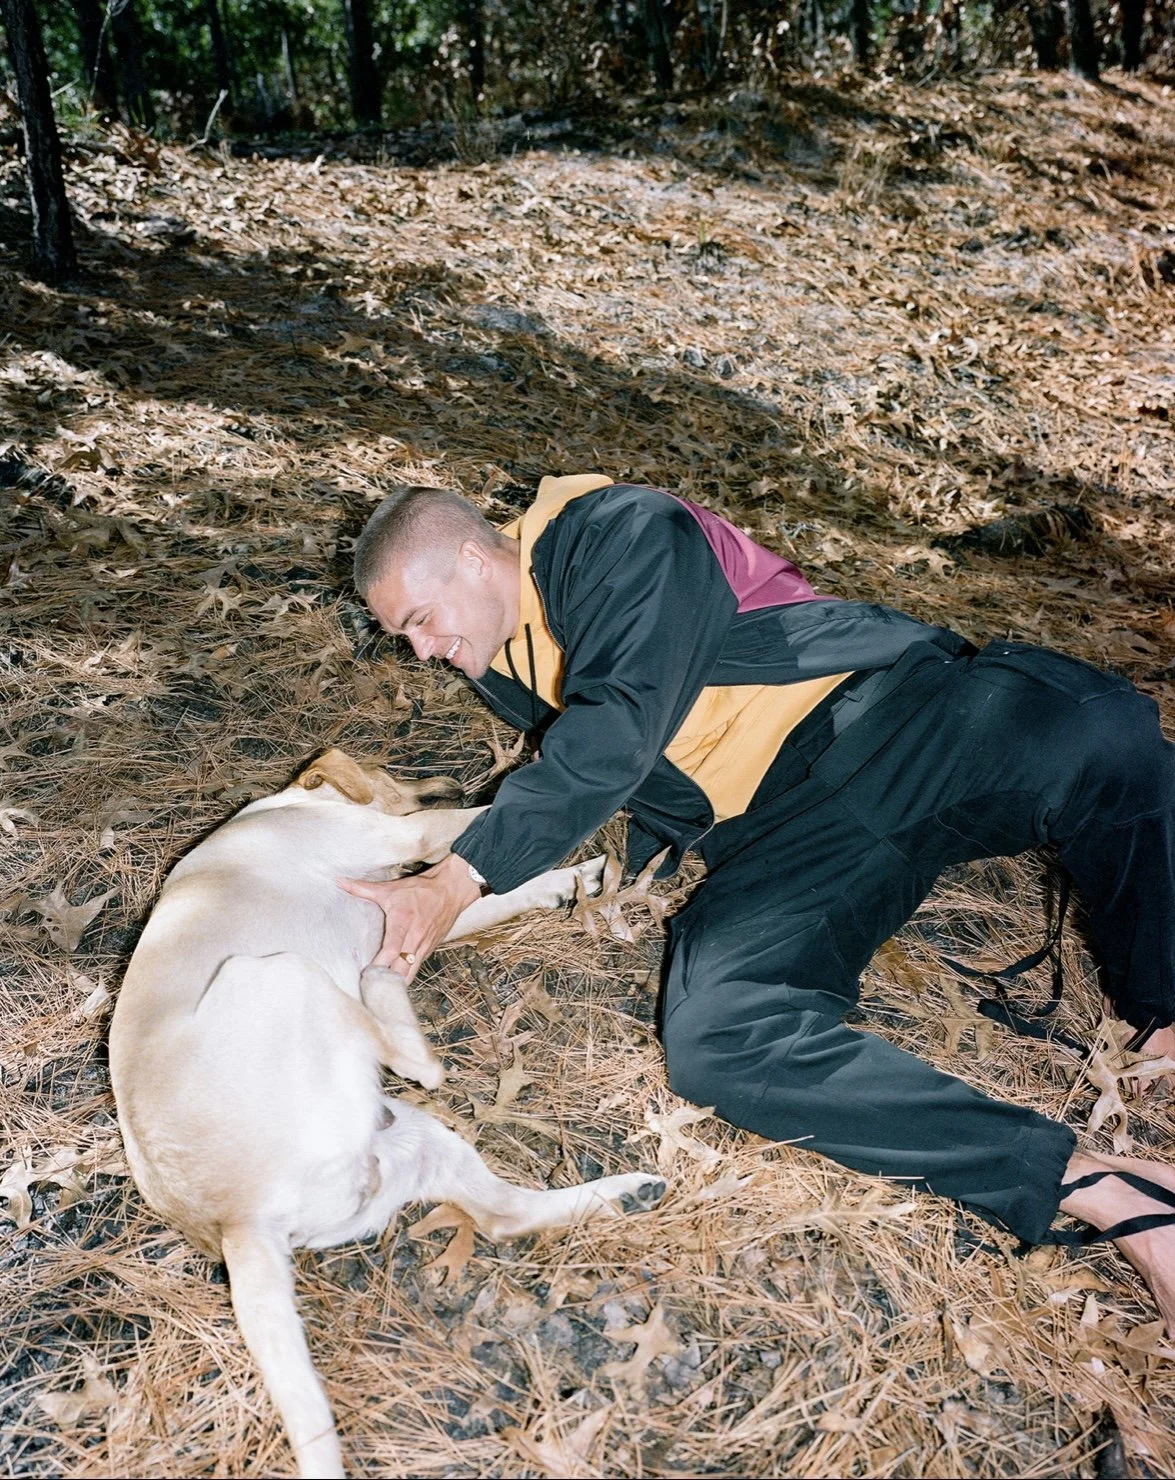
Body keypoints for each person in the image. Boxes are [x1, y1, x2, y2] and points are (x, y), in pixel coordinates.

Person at [339, 473, 1175, 1331]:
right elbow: (600, 765)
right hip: (787, 836)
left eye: (418, 622)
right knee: (720, 1041)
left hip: (891, 722)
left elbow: (618, 726)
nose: (421, 650)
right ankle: (1097, 1187)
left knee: (1100, 733)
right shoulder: (502, 655)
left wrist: (461, 877)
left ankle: (1161, 1013)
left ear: (476, 559)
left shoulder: (621, 530)